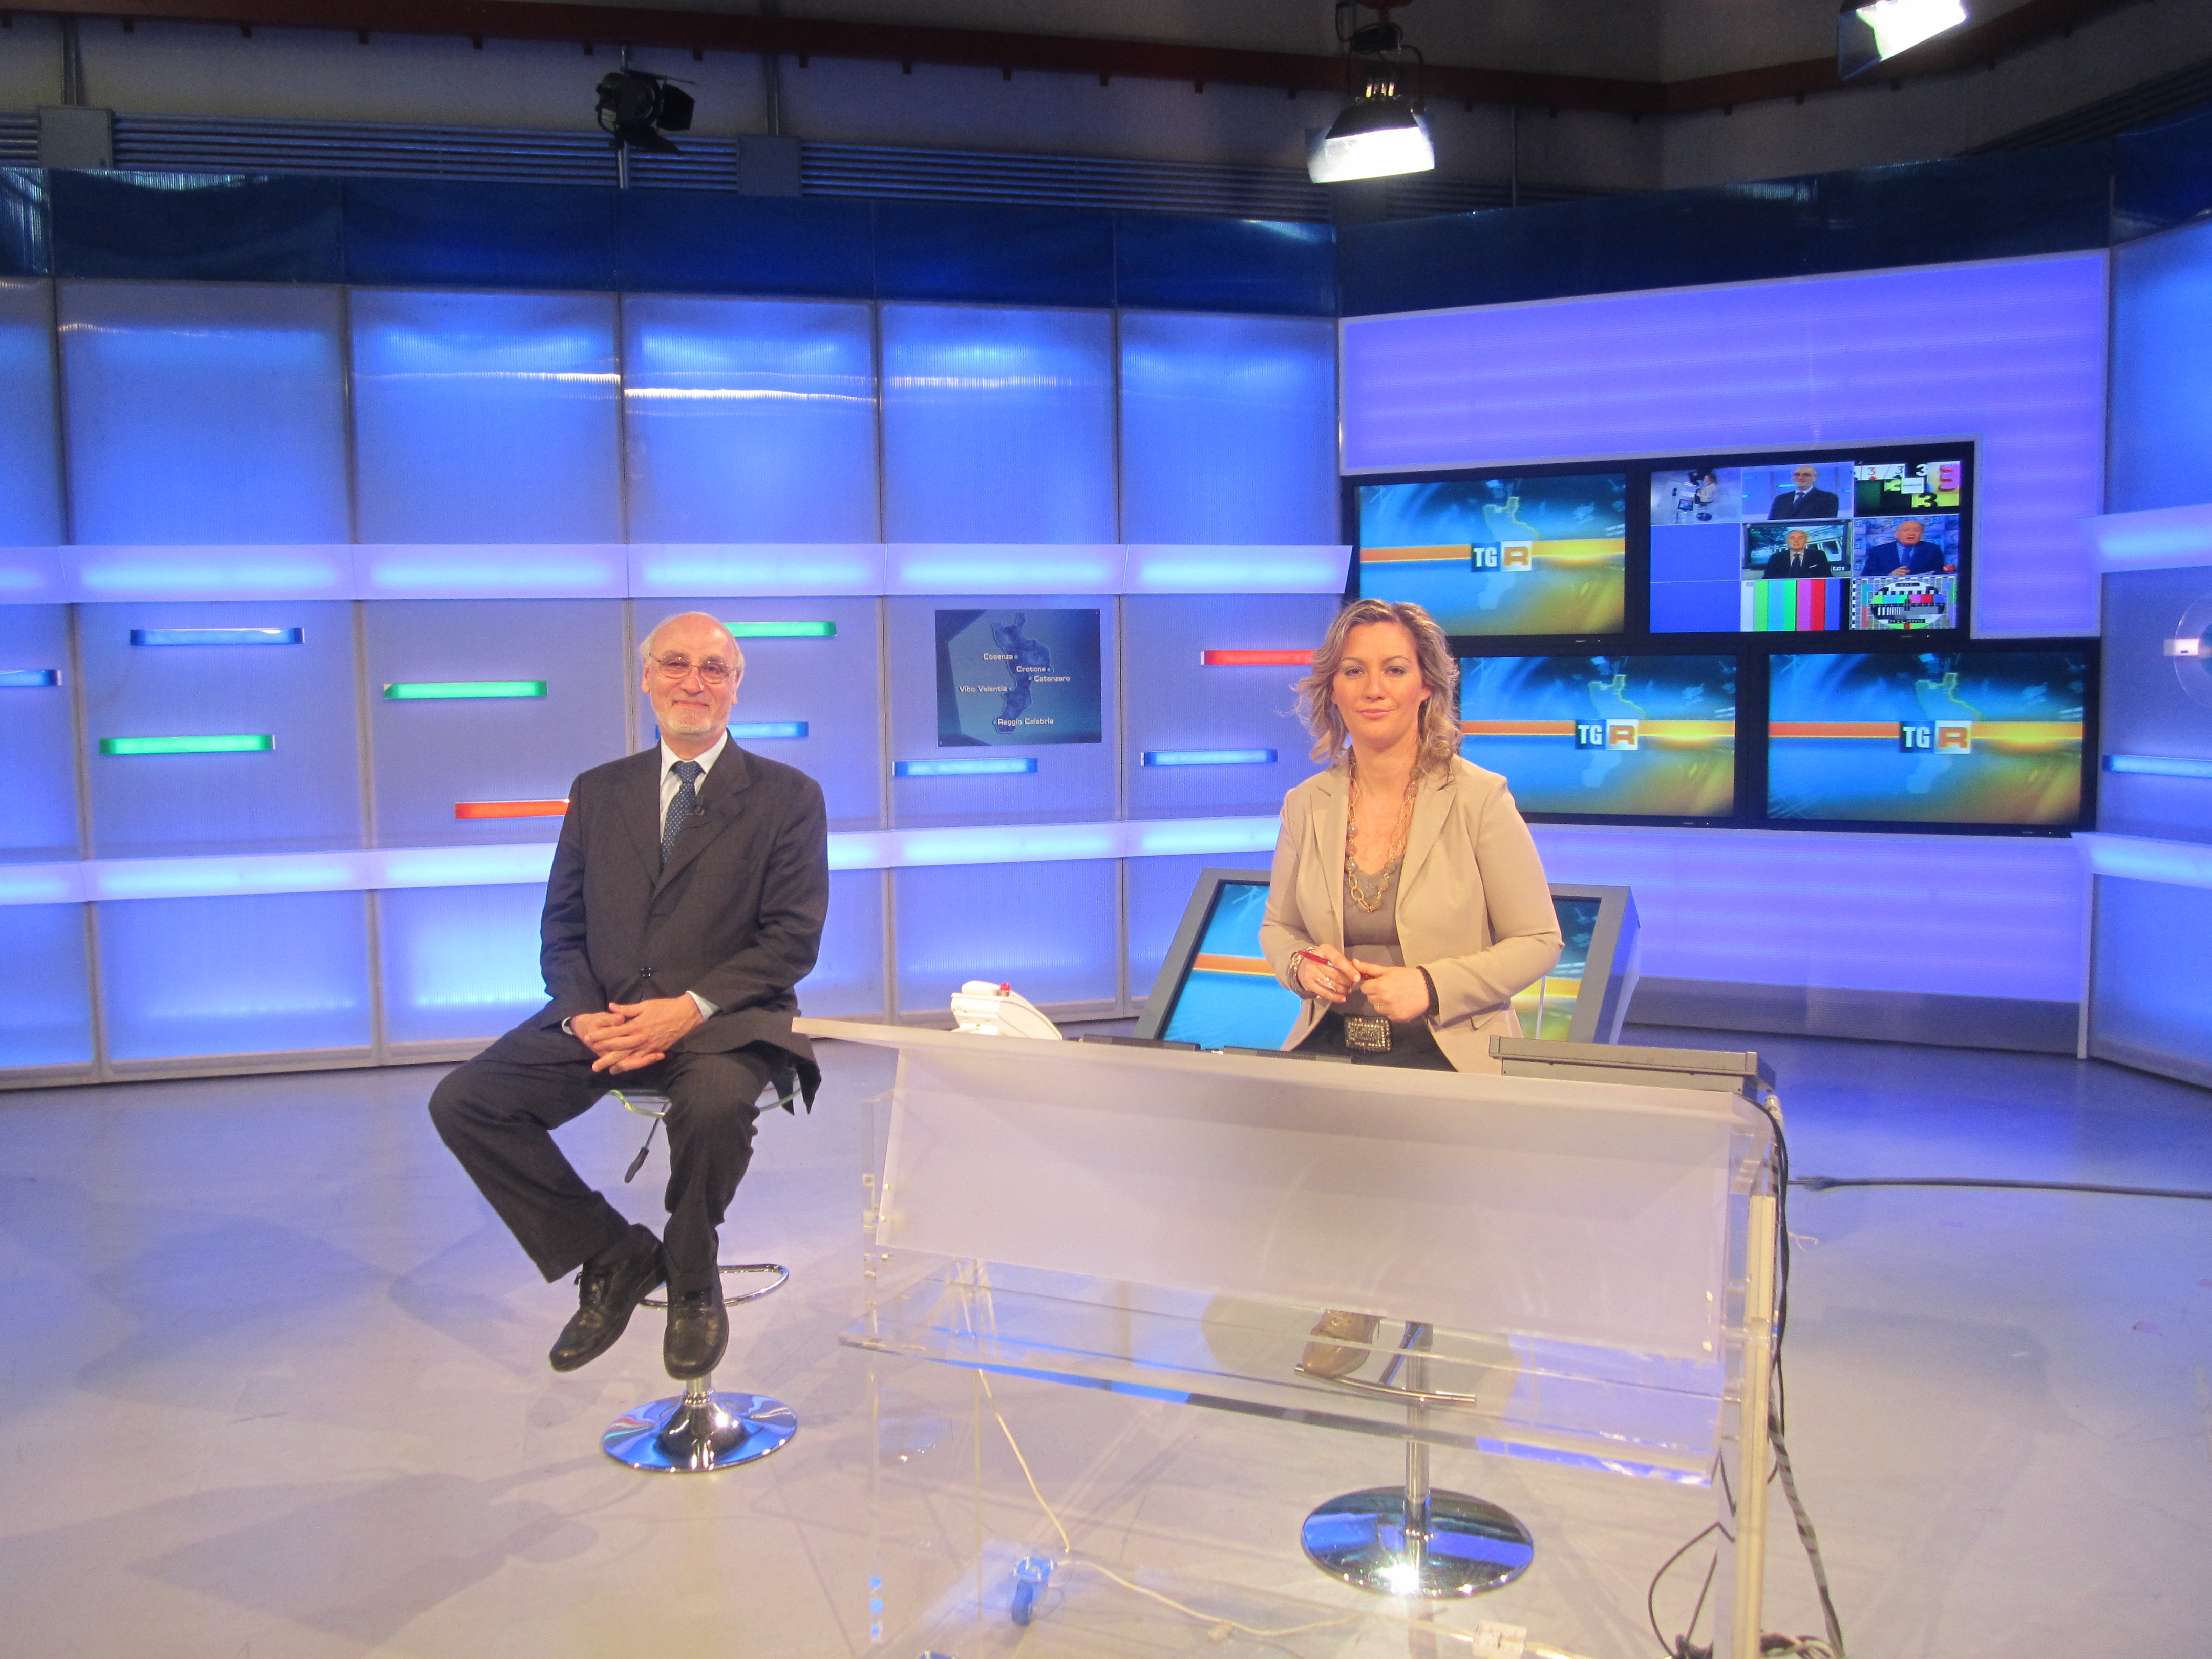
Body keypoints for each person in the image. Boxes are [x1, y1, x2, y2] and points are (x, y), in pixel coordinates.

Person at [428, 612, 829, 1382]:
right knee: (465, 1103)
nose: (693, 682)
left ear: (736, 687)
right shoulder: (598, 790)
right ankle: (611, 1253)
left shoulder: (789, 797)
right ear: (647, 678)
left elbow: (791, 939)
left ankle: (692, 1275)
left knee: (712, 1107)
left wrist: (688, 1009)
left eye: (713, 669)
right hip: (608, 1016)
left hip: (724, 1022)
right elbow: (562, 925)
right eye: (675, 664)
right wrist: (584, 1014)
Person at [1258, 598, 1562, 1378]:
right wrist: (1304, 968)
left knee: (1426, 1211)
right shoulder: (1306, 805)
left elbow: (1539, 941)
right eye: (1354, 672)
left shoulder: (1480, 798)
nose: (1374, 689)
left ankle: (1421, 1303)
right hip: (1336, 1043)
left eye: (1394, 670)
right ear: (1331, 689)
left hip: (1442, 1049)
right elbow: (1278, 928)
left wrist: (1432, 985)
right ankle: (1352, 1292)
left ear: (1428, 684)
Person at [1860, 518, 1947, 578]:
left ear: (1922, 535)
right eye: (1906, 530)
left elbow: (1939, 574)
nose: (1911, 533)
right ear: (1896, 534)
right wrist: (1890, 576)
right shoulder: (1879, 551)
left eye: (1916, 531)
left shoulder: (1933, 550)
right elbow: (1866, 576)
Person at [1767, 465, 1839, 521]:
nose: (1801, 478)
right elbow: (1771, 522)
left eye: (1806, 475)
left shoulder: (1829, 498)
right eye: (1797, 474)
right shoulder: (1781, 499)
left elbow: (1829, 522)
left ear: (1815, 478)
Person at [1763, 526, 1835, 580]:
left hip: (1811, 589)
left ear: (1806, 541)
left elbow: (1827, 576)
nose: (1796, 541)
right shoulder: (1776, 557)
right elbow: (1767, 578)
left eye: (1800, 538)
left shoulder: (1819, 555)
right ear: (1787, 541)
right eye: (1792, 538)